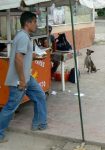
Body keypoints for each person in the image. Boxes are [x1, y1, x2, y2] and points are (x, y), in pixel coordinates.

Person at [0, 11, 47, 143]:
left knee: (40, 96)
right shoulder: (23, 37)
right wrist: (21, 80)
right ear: (28, 23)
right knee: (10, 107)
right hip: (19, 80)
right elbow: (18, 59)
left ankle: (39, 124)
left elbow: (23, 56)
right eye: (34, 22)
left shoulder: (24, 36)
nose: (36, 25)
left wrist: (35, 56)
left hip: (26, 78)